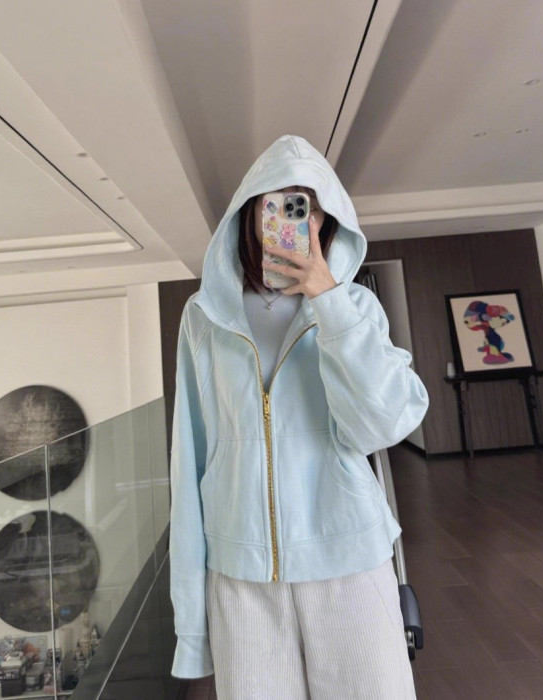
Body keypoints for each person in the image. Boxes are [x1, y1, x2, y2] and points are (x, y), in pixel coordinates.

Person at [169, 135, 429, 699]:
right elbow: (189, 460)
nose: (292, 222)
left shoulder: (354, 308)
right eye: (277, 205)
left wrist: (327, 299)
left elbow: (385, 425)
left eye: (305, 208)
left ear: (325, 219)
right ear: (250, 215)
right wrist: (191, 625)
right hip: (241, 574)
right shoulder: (203, 318)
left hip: (348, 559)